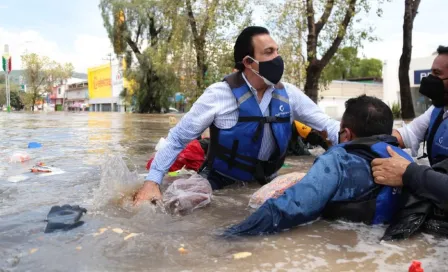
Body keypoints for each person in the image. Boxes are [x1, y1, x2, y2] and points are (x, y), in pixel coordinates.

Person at [133, 26, 340, 205]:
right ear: (249, 62)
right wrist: (152, 182)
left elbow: (328, 126)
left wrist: (366, 147)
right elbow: (177, 138)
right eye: (269, 52)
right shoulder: (218, 95)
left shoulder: (289, 94)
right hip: (218, 180)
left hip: (268, 179)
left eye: (277, 51)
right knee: (181, 203)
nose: (277, 58)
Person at [224, 95, 414, 236]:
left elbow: (291, 207)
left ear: (346, 134)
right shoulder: (406, 161)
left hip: (346, 243)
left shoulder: (338, 160)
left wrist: (232, 233)